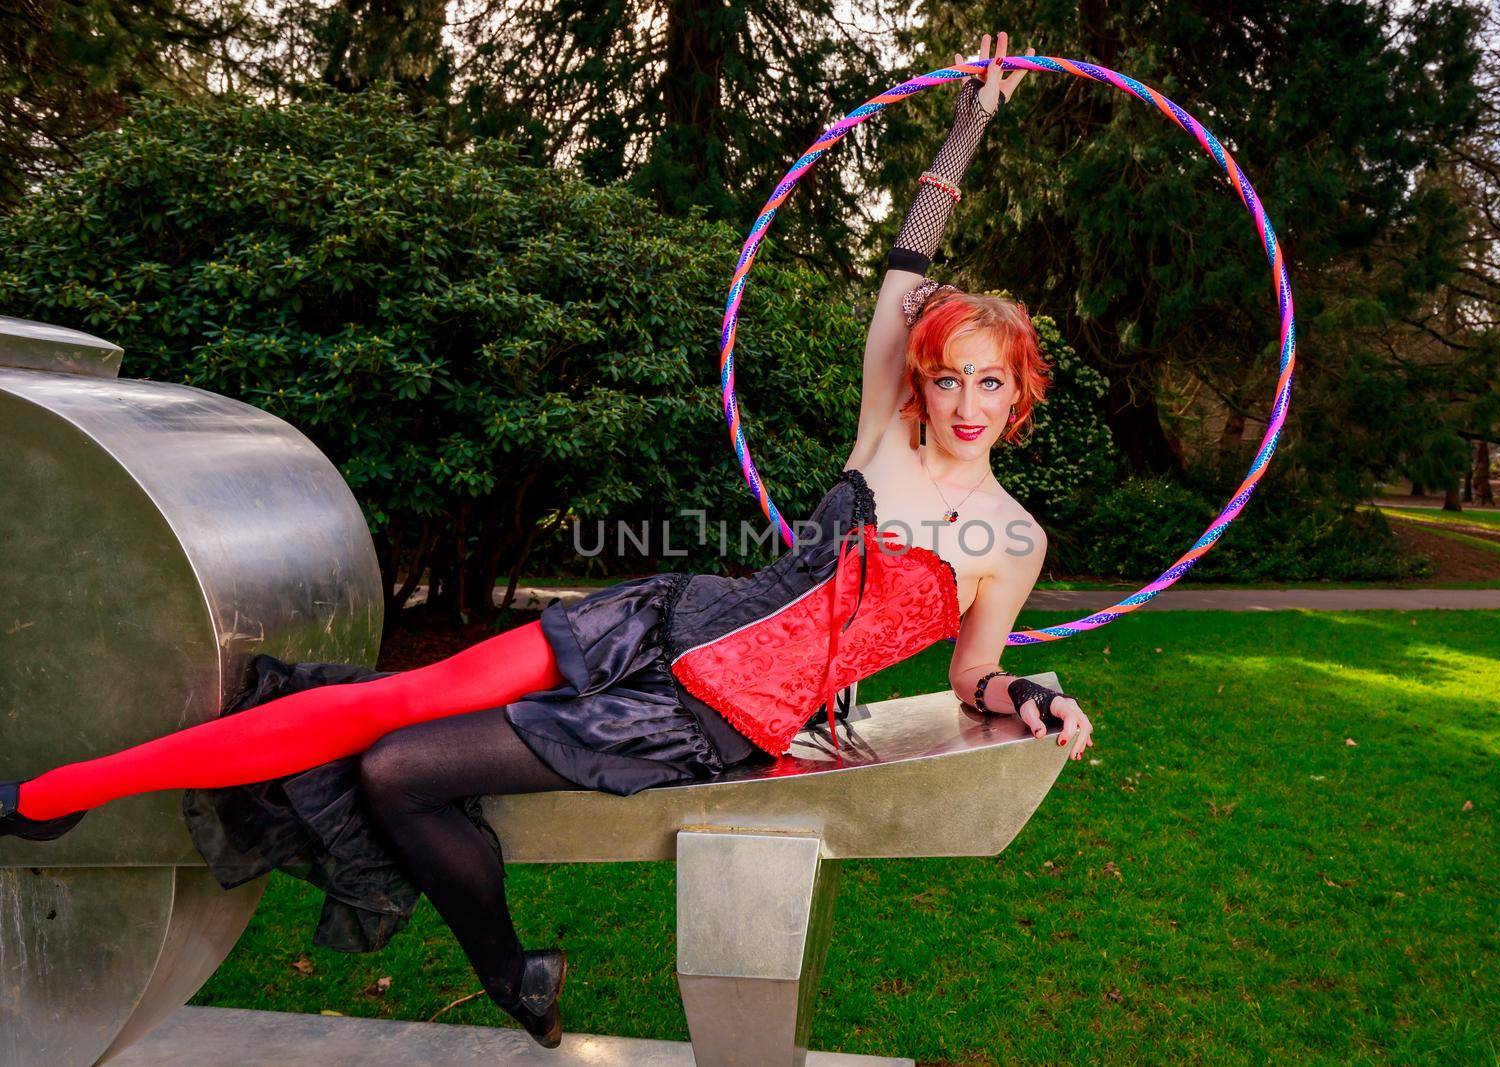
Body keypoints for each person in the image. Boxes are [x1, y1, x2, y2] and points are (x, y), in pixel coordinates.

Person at [0, 29, 1093, 1049]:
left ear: (1017, 393)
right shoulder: (882, 439)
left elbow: (975, 674)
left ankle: (510, 967)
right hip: (662, 616)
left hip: (706, 717)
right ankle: (53, 794)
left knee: (395, 769)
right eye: (949, 375)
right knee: (390, 702)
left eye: (989, 382)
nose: (965, 400)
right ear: (924, 378)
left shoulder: (1012, 537)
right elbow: (902, 274)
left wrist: (1035, 696)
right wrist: (969, 120)